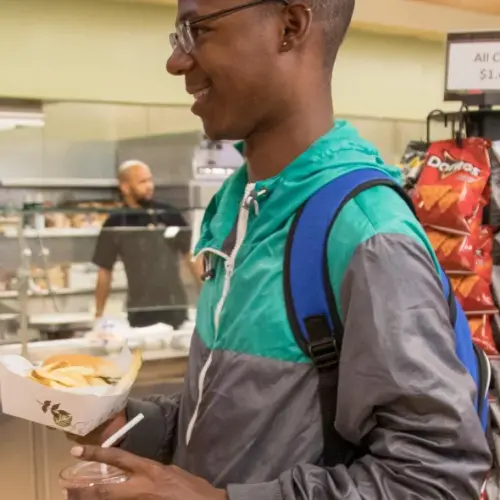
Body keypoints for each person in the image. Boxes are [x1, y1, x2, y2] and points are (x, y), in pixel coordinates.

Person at [71, 0, 492, 499]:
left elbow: (435, 477)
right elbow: (247, 414)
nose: (177, 61)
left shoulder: (367, 235)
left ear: (290, 26)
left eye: (198, 30)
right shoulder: (242, 212)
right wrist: (133, 426)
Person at [92, 160, 199, 329]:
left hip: (175, 308)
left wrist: (208, 300)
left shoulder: (169, 214)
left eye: (150, 180)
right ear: (125, 187)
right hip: (140, 313)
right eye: (142, 182)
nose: (150, 186)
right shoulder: (116, 222)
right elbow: (105, 272)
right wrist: (98, 315)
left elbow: (192, 258)